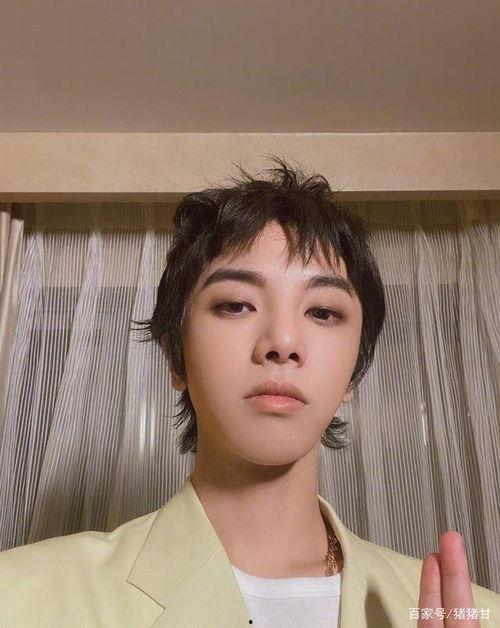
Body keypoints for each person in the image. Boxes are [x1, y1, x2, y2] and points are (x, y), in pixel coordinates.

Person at [0, 157, 498, 627]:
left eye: (323, 312)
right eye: (236, 305)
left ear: (355, 372)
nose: (282, 342)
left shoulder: (474, 613)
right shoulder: (20, 596)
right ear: (176, 355)